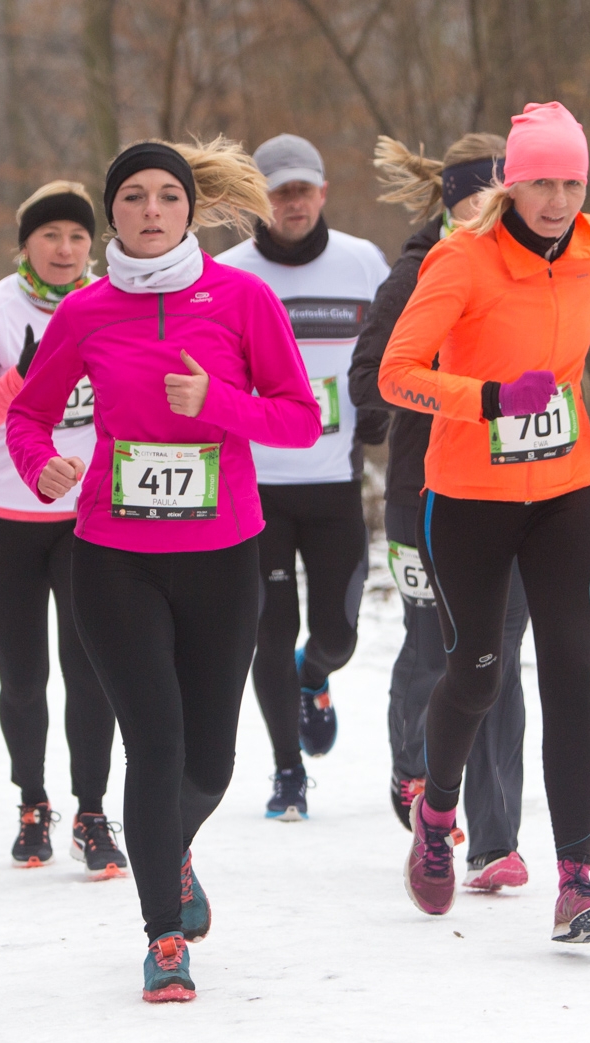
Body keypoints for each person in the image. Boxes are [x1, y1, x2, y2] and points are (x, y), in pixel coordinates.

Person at [6, 138, 320, 1002]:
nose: (152, 212)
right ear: (115, 213)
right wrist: (42, 469)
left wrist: (215, 404)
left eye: (168, 199)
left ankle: (166, 850)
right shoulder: (84, 312)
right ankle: (165, 936)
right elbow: (28, 419)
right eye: (135, 198)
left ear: (190, 211)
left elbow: (299, 420)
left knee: (210, 763)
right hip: (113, 560)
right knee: (153, 745)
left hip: (222, 556)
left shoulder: (243, 298)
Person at [378, 102, 590, 942]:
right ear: (512, 183)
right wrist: (491, 401)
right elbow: (396, 375)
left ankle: (576, 878)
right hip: (469, 499)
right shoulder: (462, 262)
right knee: (478, 675)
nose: (558, 199)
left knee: (572, 666)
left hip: (568, 488)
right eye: (541, 182)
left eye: (572, 181)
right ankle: (437, 815)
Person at [350, 132, 533, 892]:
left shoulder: (534, 270)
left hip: (515, 493)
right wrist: (440, 394)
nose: (491, 213)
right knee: (436, 651)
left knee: (500, 664)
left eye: (504, 199)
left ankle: (496, 843)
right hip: (422, 496)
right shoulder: (416, 271)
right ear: (454, 202)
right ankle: (413, 766)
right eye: (476, 201)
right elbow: (368, 380)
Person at [0, 181, 126, 877]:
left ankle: (91, 809)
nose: (65, 249)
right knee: (23, 679)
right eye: (50, 235)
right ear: (25, 243)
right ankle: (32, 802)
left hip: (87, 522)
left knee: (92, 675)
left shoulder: (110, 305)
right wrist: (24, 376)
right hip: (1, 523)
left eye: (78, 237)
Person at [215, 134, 390, 820]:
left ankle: (314, 673)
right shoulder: (230, 272)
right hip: (254, 483)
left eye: (302, 189)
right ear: (262, 198)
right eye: (279, 191)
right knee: (268, 626)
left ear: (322, 193)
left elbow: (390, 347)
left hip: (334, 478)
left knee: (338, 630)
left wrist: (376, 405)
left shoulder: (362, 263)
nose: (292, 203)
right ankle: (289, 772)